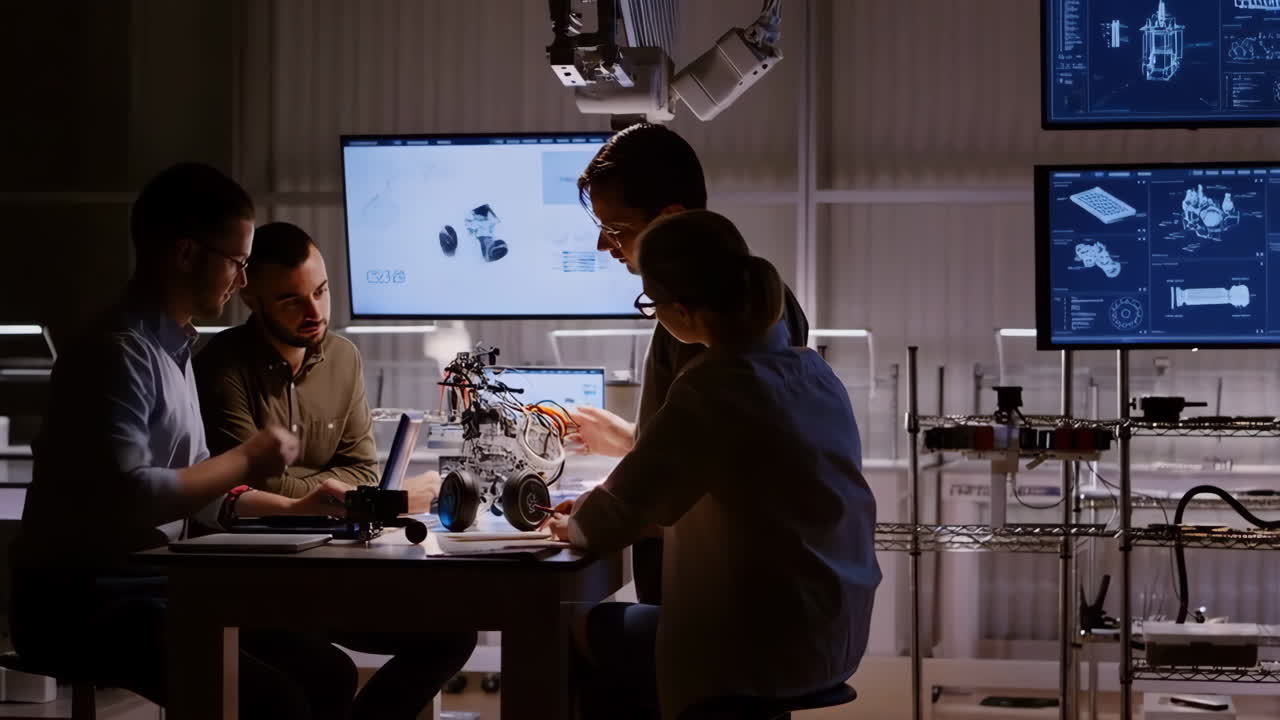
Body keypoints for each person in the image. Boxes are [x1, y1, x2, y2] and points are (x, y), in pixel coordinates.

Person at [10, 163, 359, 720]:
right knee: (277, 702)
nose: (242, 282)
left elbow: (203, 487)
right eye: (238, 263)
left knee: (329, 673)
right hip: (87, 600)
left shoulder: (176, 353)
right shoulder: (117, 352)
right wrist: (246, 457)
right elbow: (131, 494)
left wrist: (295, 507)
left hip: (155, 587)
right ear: (185, 252)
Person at [548, 210, 881, 720]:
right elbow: (737, 496)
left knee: (559, 629)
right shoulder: (814, 374)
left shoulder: (714, 386)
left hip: (753, 650)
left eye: (649, 303)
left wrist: (569, 523)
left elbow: (613, 519)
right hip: (830, 634)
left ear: (680, 311)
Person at [194, 221, 476, 720]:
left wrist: (336, 494)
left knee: (452, 633)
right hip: (253, 578)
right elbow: (250, 484)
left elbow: (361, 466)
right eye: (290, 300)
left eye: (321, 292)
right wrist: (340, 493)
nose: (315, 312)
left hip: (335, 565)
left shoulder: (343, 357)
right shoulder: (221, 364)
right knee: (327, 675)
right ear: (251, 299)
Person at [570, 123, 820, 604]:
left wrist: (581, 520)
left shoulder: (710, 330)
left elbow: (696, 460)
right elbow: (724, 447)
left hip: (710, 595)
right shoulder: (762, 311)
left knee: (568, 644)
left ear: (669, 218)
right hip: (754, 599)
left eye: (617, 229)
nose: (606, 247)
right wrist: (631, 441)